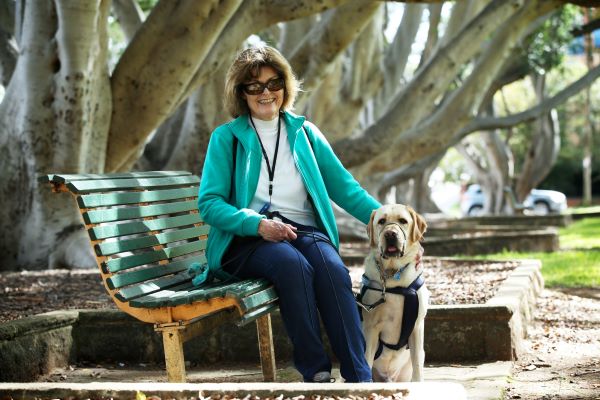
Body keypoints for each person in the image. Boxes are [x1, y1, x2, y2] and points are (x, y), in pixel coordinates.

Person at [197, 46, 382, 383]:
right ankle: (317, 372)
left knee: (332, 270)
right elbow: (209, 203)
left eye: (273, 82)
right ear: (241, 93)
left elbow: (346, 189)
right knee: (291, 265)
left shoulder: (305, 133)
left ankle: (360, 377)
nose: (266, 92)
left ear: (285, 84)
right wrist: (257, 224)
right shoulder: (227, 138)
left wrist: (390, 222)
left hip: (303, 232)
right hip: (247, 239)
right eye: (254, 86)